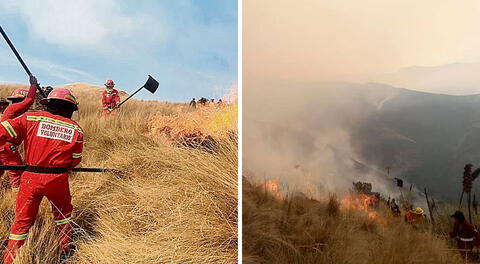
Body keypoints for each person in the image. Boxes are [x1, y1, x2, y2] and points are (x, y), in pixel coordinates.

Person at [1, 87, 83, 263]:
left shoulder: (31, 117)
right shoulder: (77, 129)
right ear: (70, 109)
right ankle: (65, 249)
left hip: (30, 179)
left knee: (22, 221)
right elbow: (76, 160)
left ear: (49, 105)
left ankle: (10, 258)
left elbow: (3, 132)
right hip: (58, 180)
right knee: (63, 215)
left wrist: (10, 147)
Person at [0, 76, 38, 192]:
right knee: (16, 172)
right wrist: (33, 86)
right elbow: (29, 100)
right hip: (7, 145)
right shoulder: (14, 108)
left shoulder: (16, 113)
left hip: (3, 144)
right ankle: (16, 196)